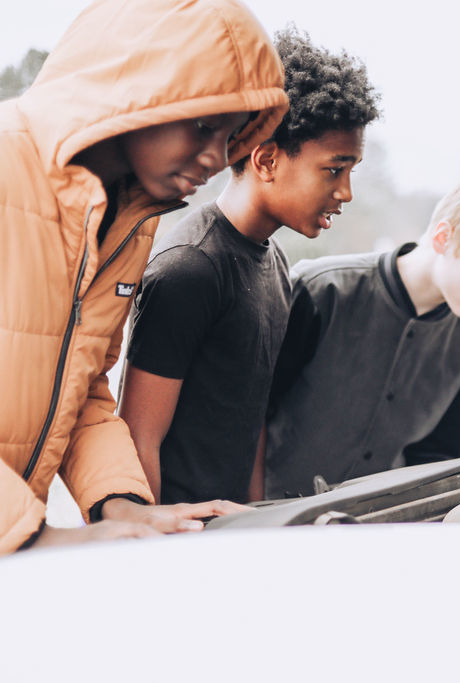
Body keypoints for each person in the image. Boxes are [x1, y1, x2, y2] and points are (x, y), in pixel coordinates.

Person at [0, 0, 289, 554]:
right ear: (133, 90)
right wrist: (37, 539)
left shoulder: (130, 224)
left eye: (230, 137)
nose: (214, 158)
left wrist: (125, 506)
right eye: (203, 126)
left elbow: (80, 388)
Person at [118, 28, 381, 506]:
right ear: (266, 160)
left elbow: (251, 419)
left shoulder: (275, 263)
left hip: (233, 533)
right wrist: (153, 547)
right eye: (333, 169)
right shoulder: (189, 269)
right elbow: (137, 438)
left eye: (351, 172)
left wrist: (253, 516)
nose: (345, 192)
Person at [261, 170, 460, 499]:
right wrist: (251, 512)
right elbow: (250, 415)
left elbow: (439, 454)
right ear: (443, 238)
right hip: (268, 516)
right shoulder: (322, 289)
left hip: (383, 525)